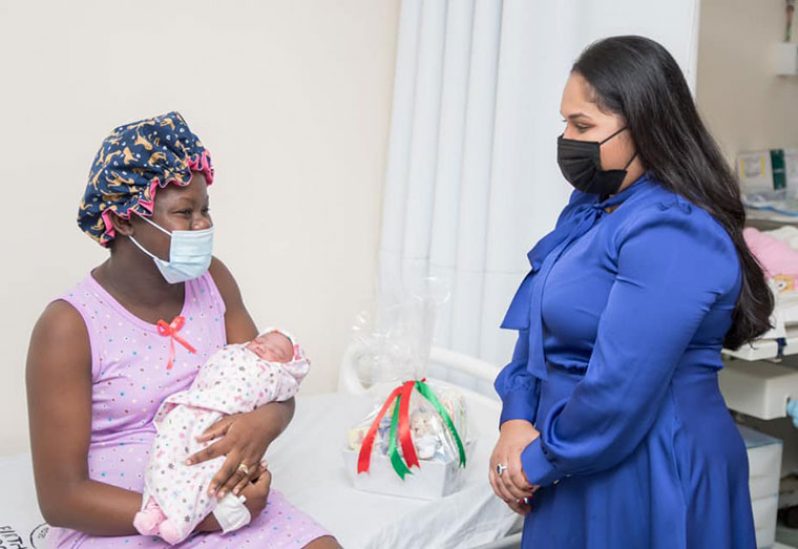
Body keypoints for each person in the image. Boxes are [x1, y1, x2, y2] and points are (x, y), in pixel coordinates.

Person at [489, 36, 773, 548]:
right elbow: (539, 326)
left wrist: (532, 462)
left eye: (582, 126)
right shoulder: (591, 207)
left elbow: (620, 389)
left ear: (643, 127)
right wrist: (515, 419)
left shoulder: (673, 230)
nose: (567, 140)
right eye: (565, 123)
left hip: (651, 460)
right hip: (568, 454)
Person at [26, 111, 340, 548]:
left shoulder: (213, 280)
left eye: (205, 209)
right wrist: (202, 519)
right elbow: (61, 498)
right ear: (126, 219)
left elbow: (272, 384)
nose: (203, 225)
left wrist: (267, 422)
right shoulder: (68, 327)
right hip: (125, 518)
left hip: (224, 493)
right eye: (184, 212)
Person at [134, 329, 310, 545]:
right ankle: (154, 508)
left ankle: (180, 519)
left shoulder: (277, 374)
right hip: (193, 409)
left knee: (210, 468)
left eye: (275, 350)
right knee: (167, 453)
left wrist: (265, 421)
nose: (263, 346)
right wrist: (223, 518)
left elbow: (286, 398)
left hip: (226, 423)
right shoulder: (235, 353)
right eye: (261, 340)